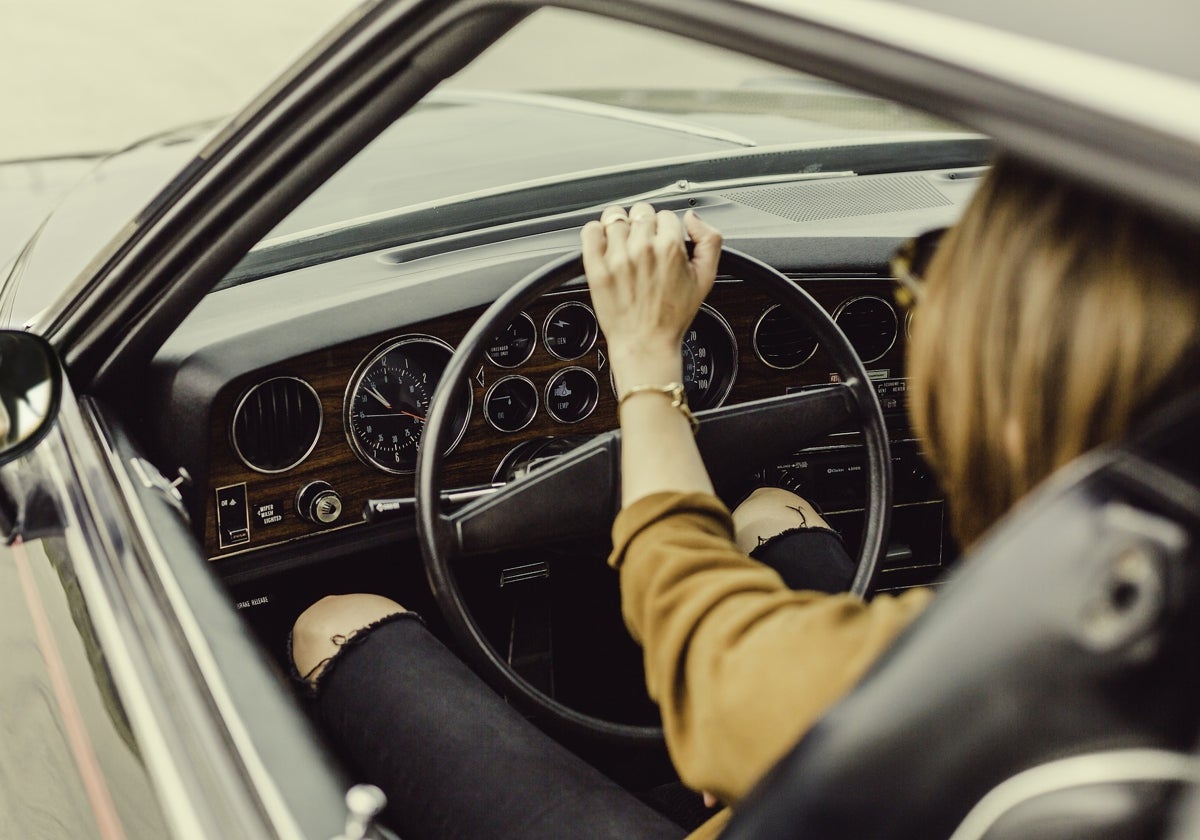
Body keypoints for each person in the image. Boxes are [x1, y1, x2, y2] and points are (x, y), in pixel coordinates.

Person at [289, 153, 1200, 839]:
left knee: (335, 618)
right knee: (763, 510)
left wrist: (646, 368)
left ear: (1023, 412)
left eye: (938, 296)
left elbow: (704, 643)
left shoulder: (1045, 664)